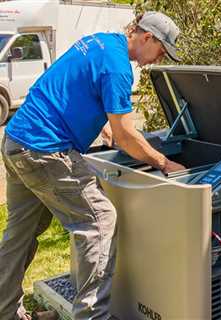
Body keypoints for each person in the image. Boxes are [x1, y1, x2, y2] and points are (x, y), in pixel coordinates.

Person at [0, 11, 185, 320]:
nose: (158, 59)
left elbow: (71, 86)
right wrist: (163, 162)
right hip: (45, 150)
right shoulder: (118, 68)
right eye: (162, 51)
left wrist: (102, 127)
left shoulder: (100, 42)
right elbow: (127, 135)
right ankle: (92, 316)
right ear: (147, 37)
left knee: (20, 234)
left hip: (17, 141)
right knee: (99, 222)